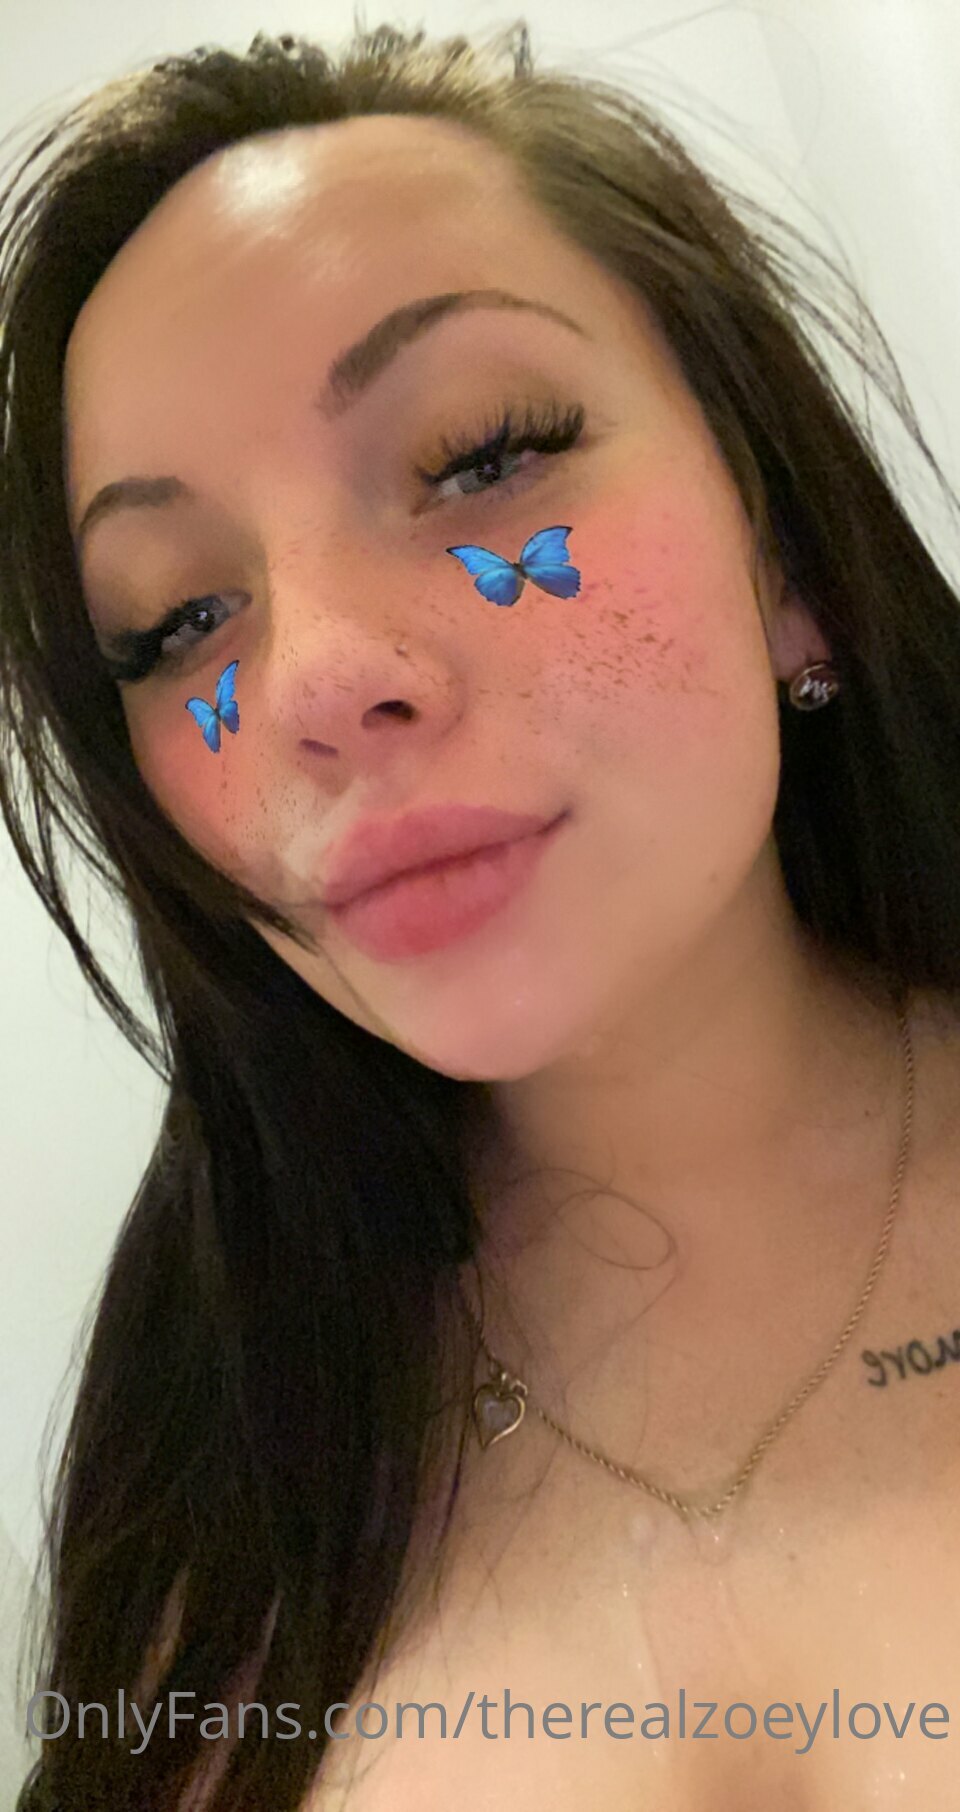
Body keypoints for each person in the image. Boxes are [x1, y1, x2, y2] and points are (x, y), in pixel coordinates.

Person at [6, 15, 960, 1811]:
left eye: (479, 455)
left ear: (786, 560)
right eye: (178, 621)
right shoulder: (220, 1438)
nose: (315, 679)